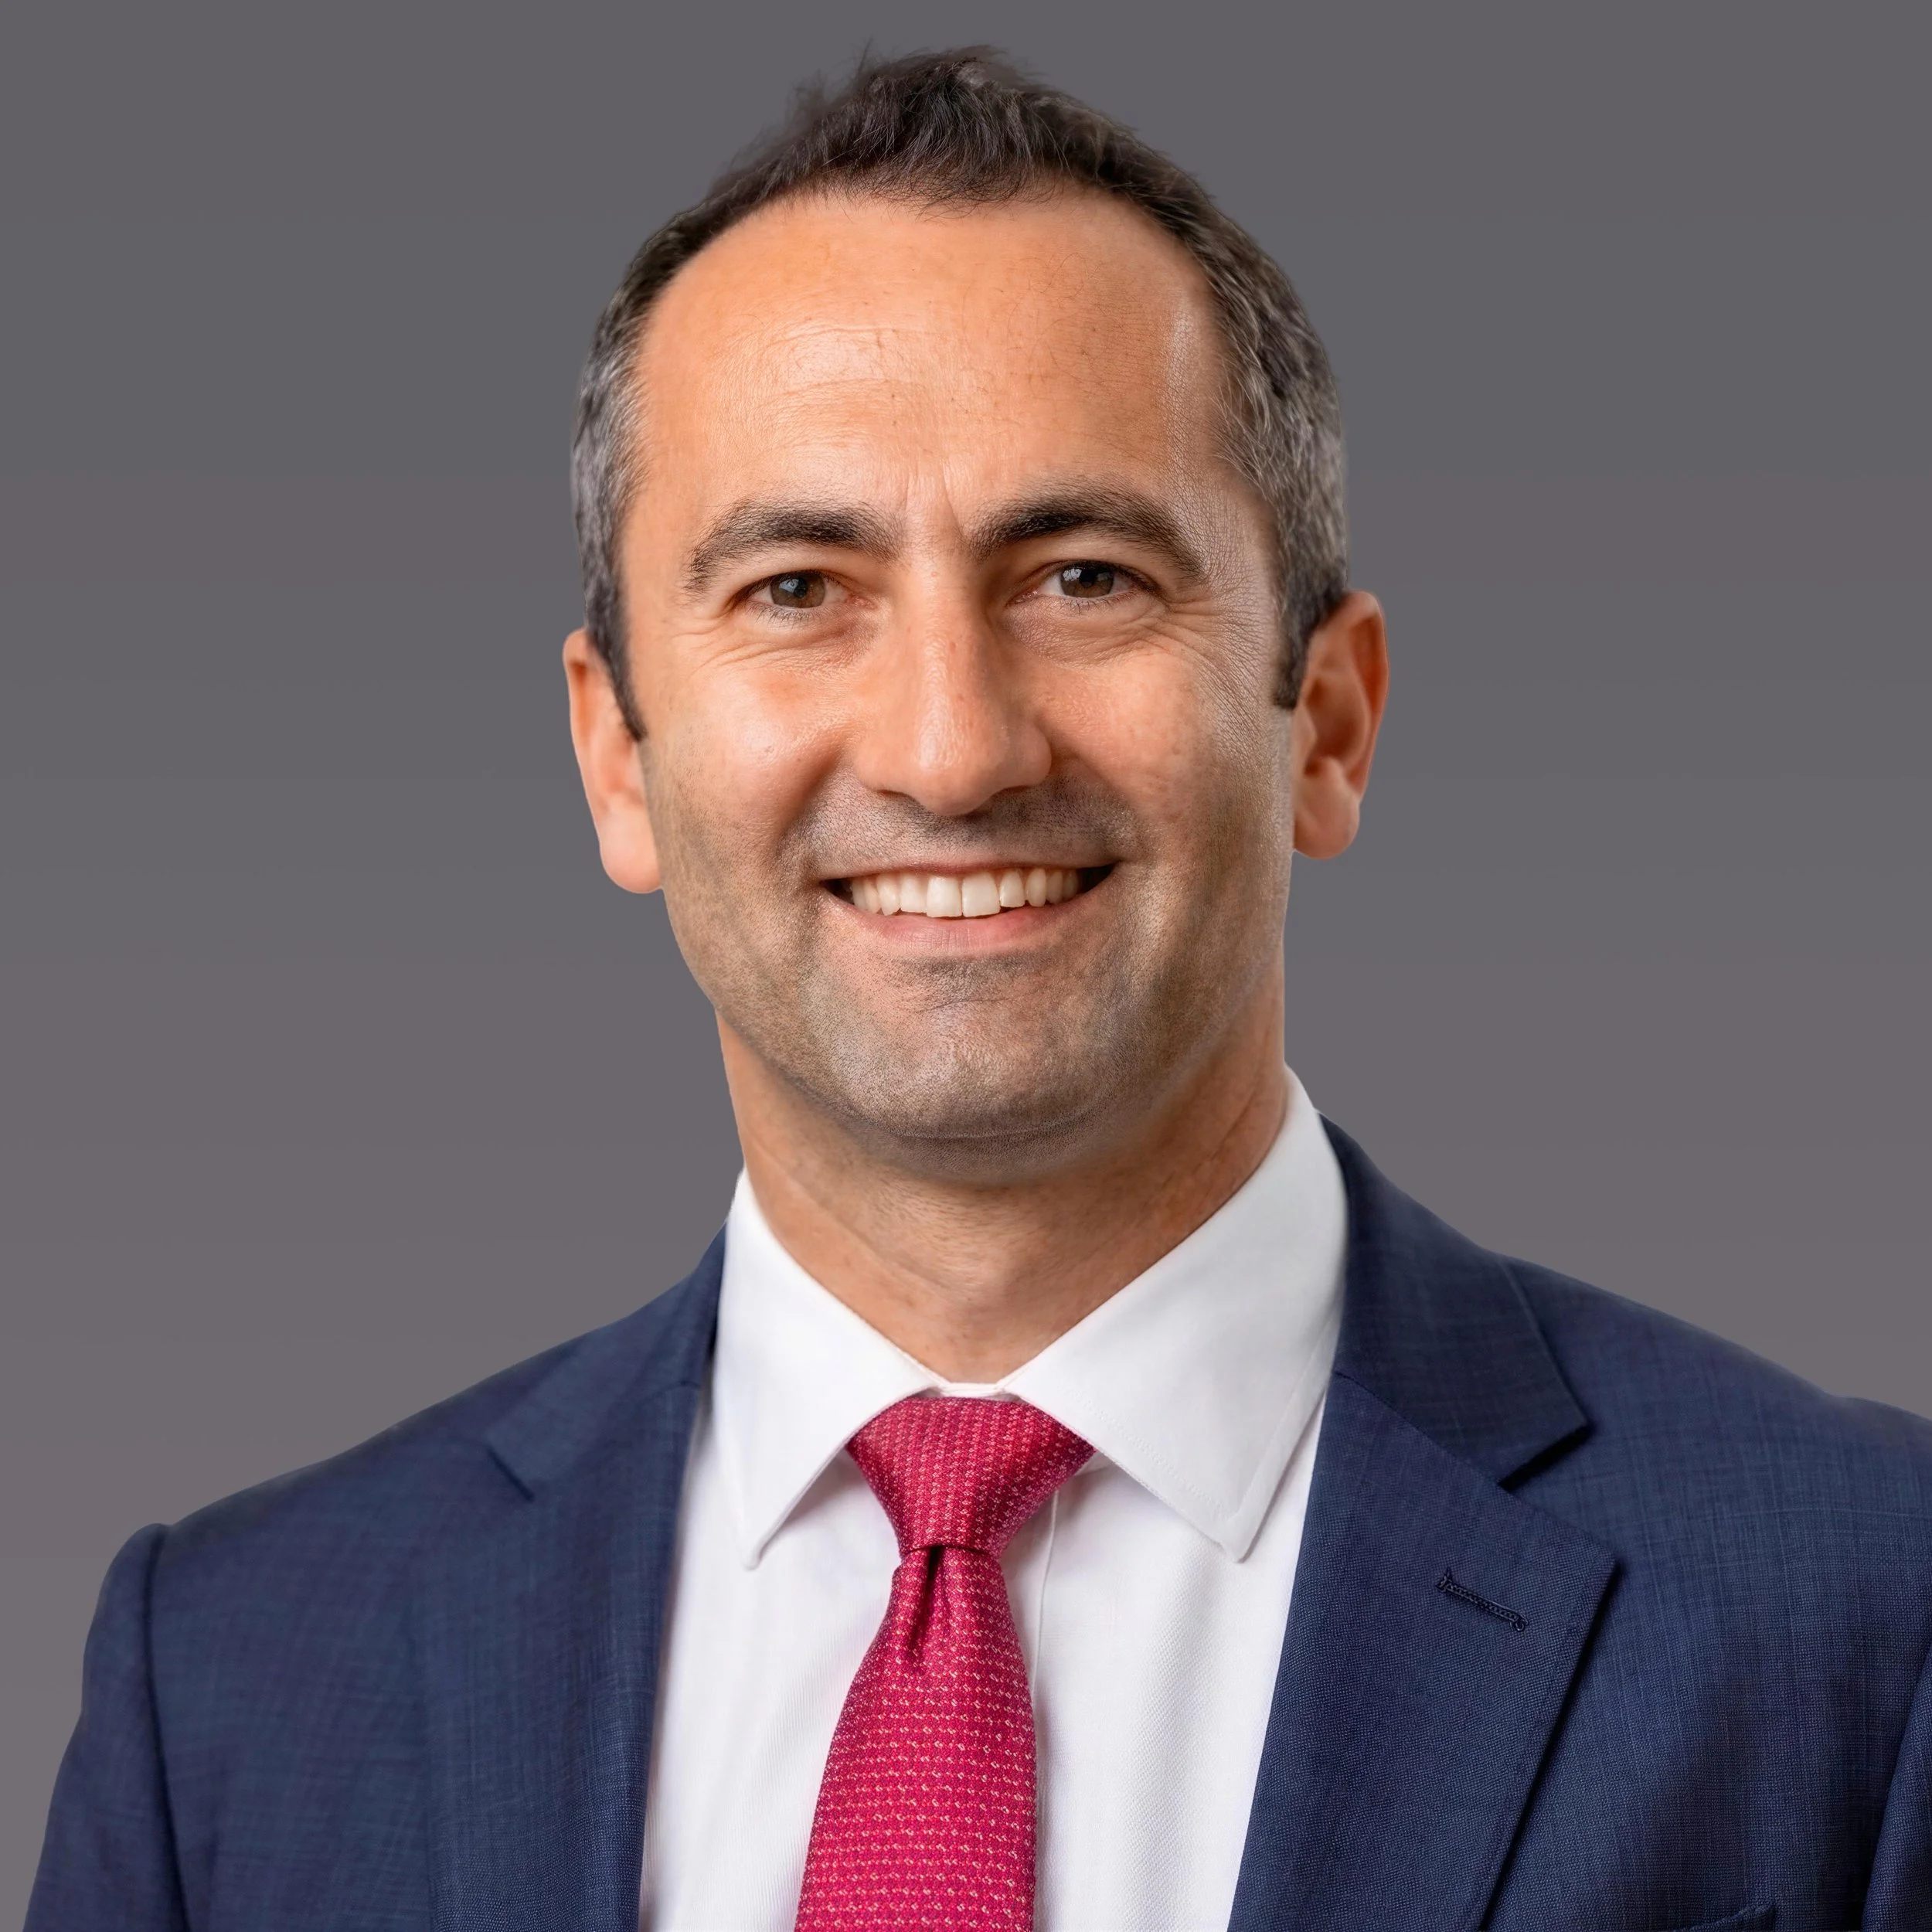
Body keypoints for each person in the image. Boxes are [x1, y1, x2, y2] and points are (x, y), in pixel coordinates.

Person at [27, 46, 1932, 1932]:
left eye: (1084, 575)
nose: (948, 746)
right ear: (618, 755)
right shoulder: (233, 1681)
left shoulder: (1866, 1612)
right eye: (796, 587)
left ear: (1326, 725)